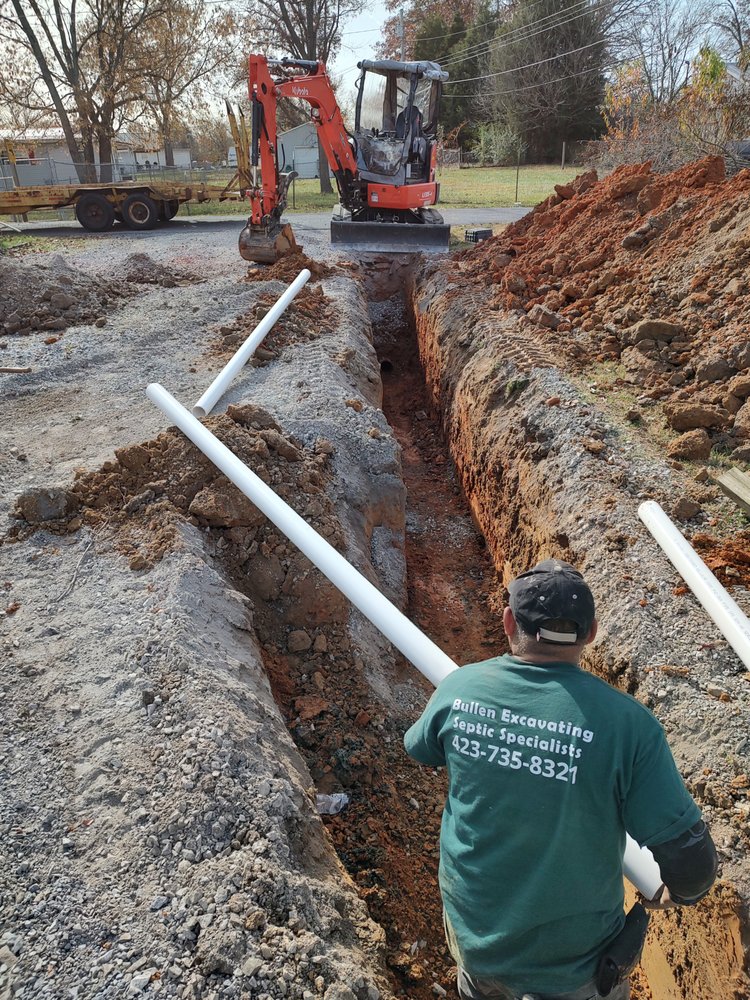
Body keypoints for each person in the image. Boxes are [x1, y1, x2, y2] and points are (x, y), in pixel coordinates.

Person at [404, 559, 717, 1000]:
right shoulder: (628, 727)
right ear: (589, 634)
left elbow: (420, 748)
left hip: (477, 948)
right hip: (575, 972)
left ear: (510, 620)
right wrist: (679, 892)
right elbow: (691, 862)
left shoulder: (459, 689)